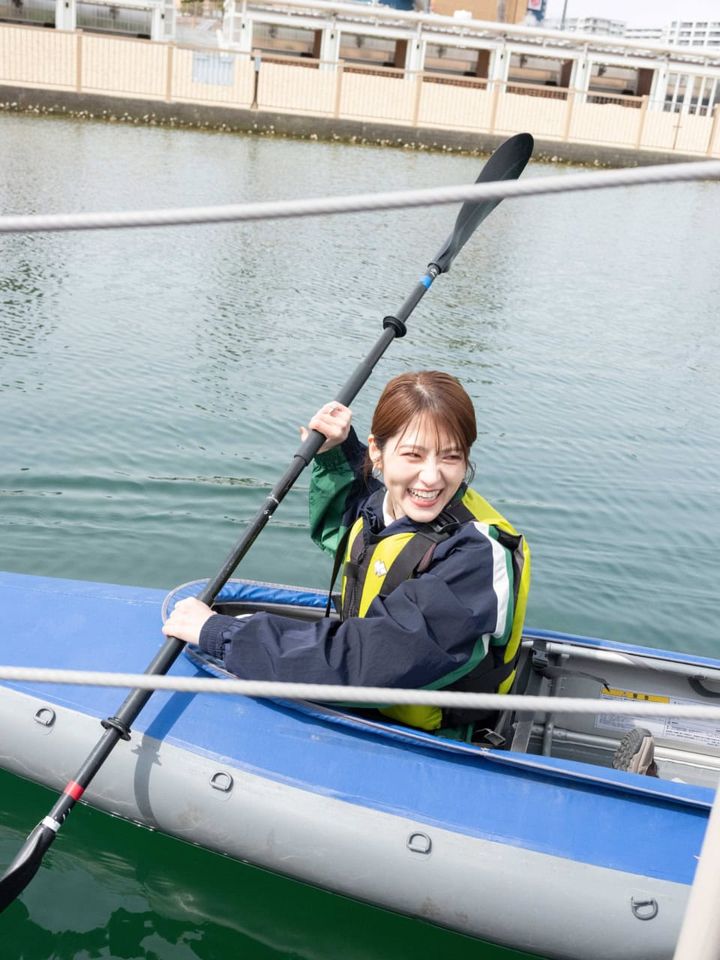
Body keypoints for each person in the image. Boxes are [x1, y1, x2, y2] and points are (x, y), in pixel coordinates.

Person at [163, 371, 531, 738]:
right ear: (377, 452)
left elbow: (371, 657)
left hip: (433, 737)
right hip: (374, 702)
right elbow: (357, 523)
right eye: (413, 455)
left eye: (451, 457)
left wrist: (223, 634)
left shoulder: (476, 556)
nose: (432, 477)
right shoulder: (385, 505)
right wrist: (336, 452)